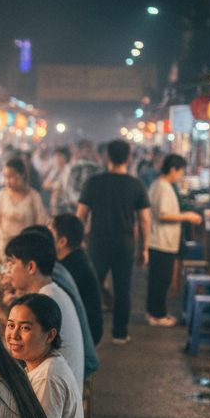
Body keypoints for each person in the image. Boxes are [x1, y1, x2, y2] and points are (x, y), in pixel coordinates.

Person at [0, 231, 84, 392]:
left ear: (31, 267)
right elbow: (19, 326)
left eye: (12, 263)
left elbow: (20, 338)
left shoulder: (48, 299)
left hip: (51, 387)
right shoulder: (49, 291)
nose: (8, 270)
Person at [77, 139, 151, 344]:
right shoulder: (136, 184)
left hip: (97, 242)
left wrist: (78, 240)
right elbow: (144, 219)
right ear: (128, 158)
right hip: (124, 243)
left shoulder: (93, 182)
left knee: (93, 288)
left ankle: (89, 332)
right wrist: (144, 248)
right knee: (122, 288)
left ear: (106, 157)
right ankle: (120, 332)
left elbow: (80, 215)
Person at [146, 155, 202, 326]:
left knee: (158, 279)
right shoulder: (163, 187)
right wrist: (187, 216)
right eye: (181, 171)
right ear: (172, 170)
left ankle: (155, 313)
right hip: (161, 241)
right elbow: (163, 214)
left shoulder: (159, 184)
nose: (181, 175)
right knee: (161, 280)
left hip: (161, 240)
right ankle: (158, 315)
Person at [51, 214, 104, 344]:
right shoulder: (74, 258)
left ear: (62, 242)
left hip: (85, 333)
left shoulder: (71, 268)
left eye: (50, 234)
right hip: (86, 328)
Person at [0, 157, 47, 252]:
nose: (7, 181)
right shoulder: (2, 195)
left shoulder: (34, 196)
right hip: (4, 246)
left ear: (22, 175)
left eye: (11, 177)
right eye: (5, 177)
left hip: (26, 247)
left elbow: (41, 223)